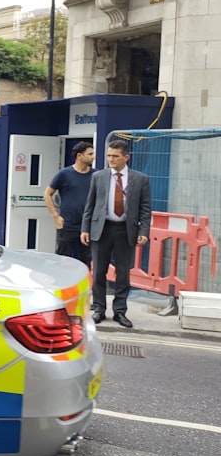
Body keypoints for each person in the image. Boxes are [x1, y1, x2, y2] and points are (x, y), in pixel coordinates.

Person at [81, 140, 152, 329]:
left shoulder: (140, 179)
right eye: (109, 156)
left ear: (126, 157)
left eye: (115, 156)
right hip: (101, 229)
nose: (111, 159)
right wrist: (85, 229)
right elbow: (90, 204)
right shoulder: (99, 177)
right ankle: (99, 309)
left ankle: (120, 312)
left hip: (125, 230)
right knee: (98, 273)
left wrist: (144, 231)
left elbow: (145, 209)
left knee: (123, 274)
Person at [44, 141, 96, 268]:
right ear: (79, 156)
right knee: (63, 259)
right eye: (90, 154)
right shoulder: (64, 174)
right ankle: (60, 285)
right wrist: (55, 216)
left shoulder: (96, 175)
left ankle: (85, 287)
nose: (93, 156)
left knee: (86, 261)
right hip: (68, 224)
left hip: (87, 226)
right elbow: (47, 194)